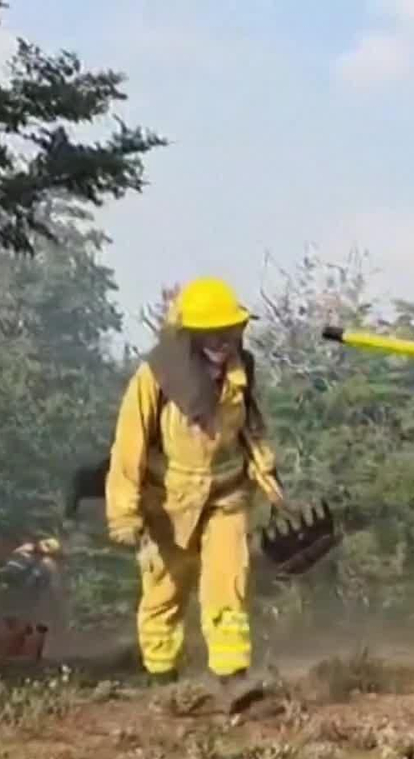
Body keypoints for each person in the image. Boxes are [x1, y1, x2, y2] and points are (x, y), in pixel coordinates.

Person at [104, 277, 285, 714]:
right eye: (213, 333)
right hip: (167, 505)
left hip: (226, 498)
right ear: (190, 335)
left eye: (230, 332)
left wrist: (267, 474)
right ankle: (163, 681)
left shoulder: (243, 370)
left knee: (229, 583)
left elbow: (251, 430)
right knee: (164, 593)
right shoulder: (154, 378)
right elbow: (127, 446)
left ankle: (233, 680)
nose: (224, 342)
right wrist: (124, 514)